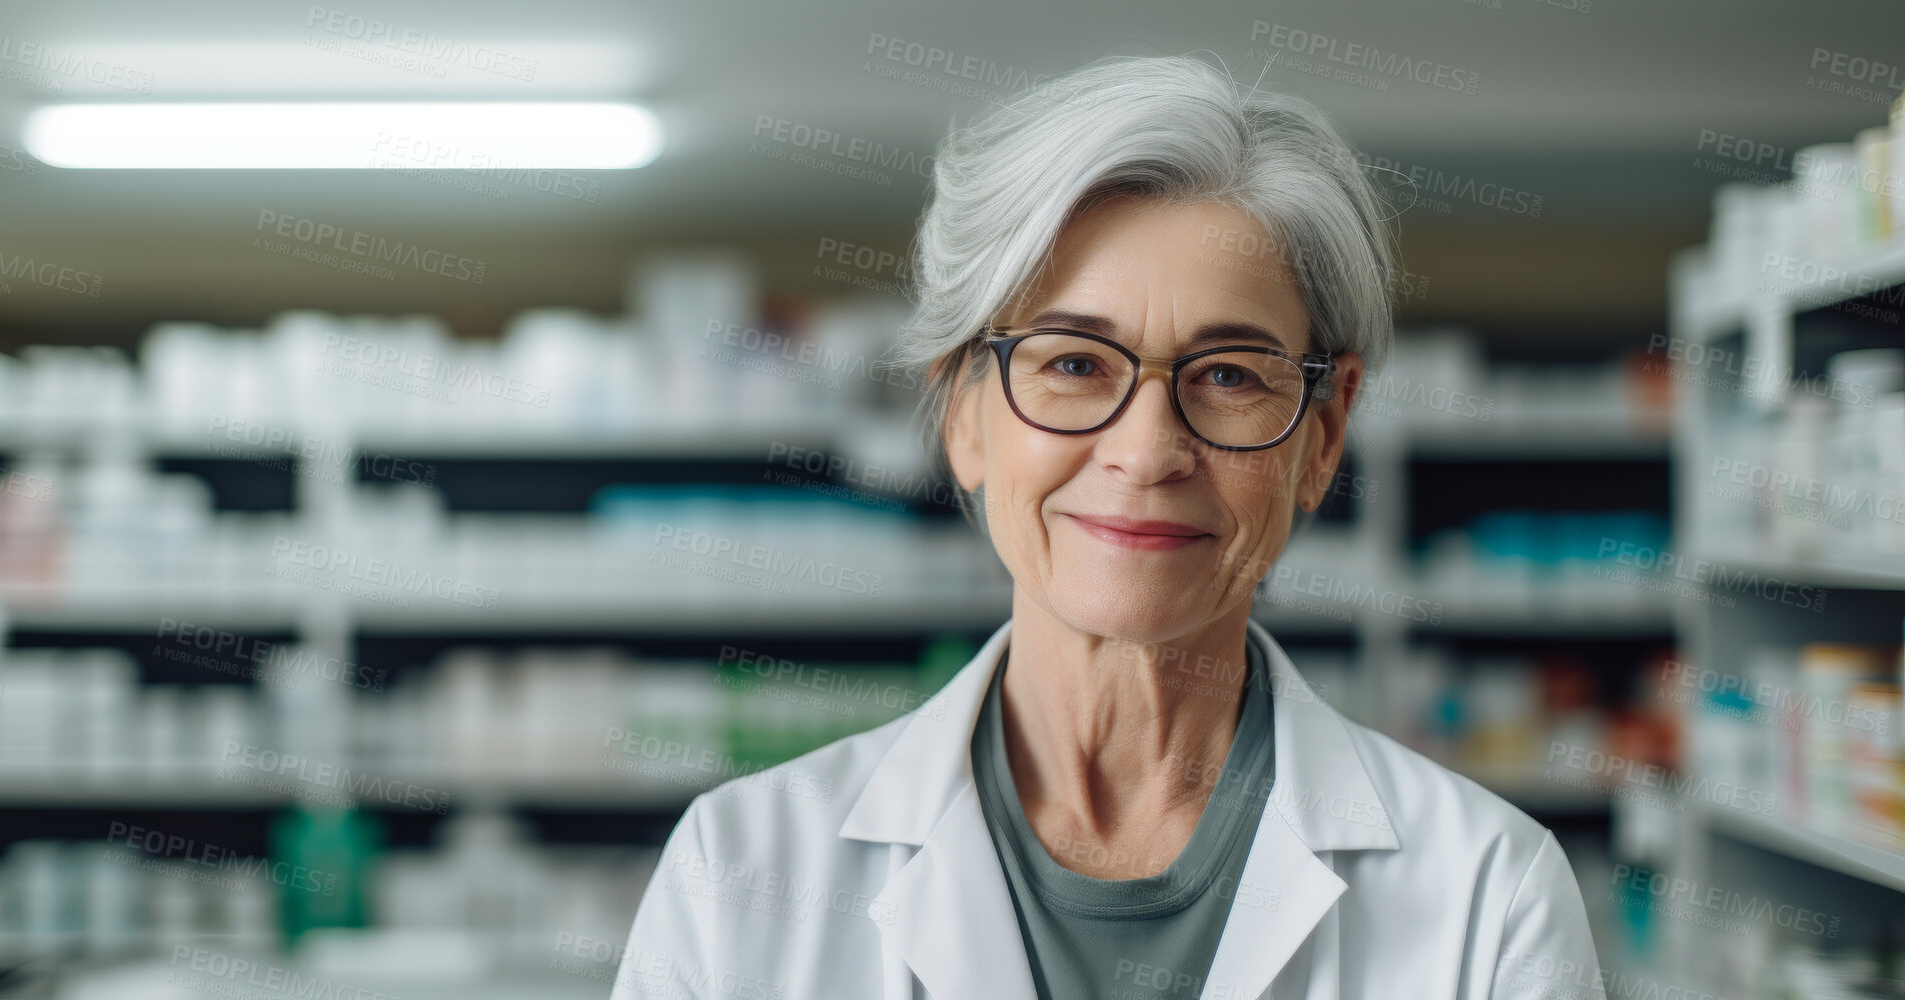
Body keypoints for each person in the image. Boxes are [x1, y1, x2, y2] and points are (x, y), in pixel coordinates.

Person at [611, 53, 1604, 1000]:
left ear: (1322, 434)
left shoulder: (1489, 893)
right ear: (963, 416)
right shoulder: (733, 873)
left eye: (1227, 375)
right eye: (1075, 363)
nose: (1145, 450)